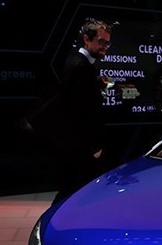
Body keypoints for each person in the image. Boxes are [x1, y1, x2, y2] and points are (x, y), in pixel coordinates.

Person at [29, 19, 114, 203]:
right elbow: (80, 112)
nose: (105, 47)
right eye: (101, 41)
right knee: (71, 194)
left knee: (74, 193)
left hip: (76, 146)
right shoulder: (80, 67)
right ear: (86, 39)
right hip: (80, 148)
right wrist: (94, 147)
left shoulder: (81, 64)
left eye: (107, 43)